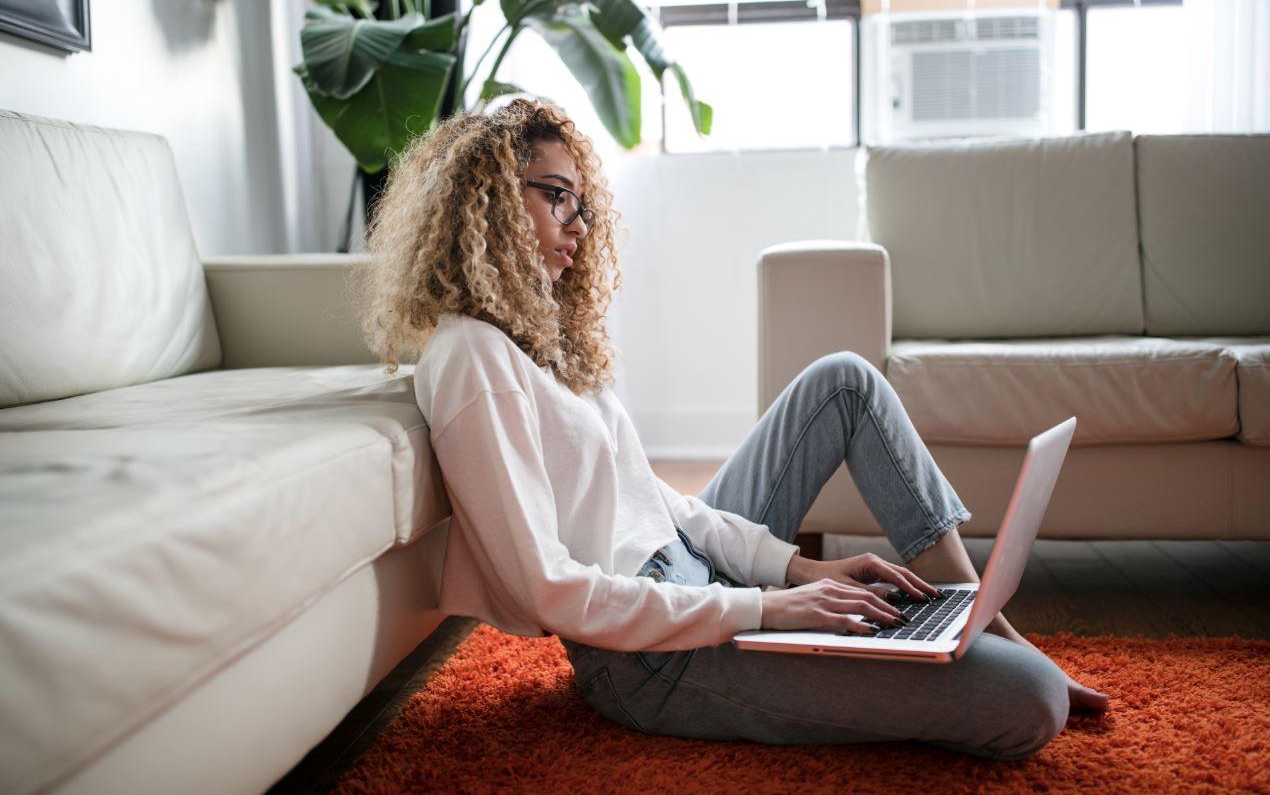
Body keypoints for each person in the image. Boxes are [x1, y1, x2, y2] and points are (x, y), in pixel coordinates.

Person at [351, 96, 1109, 761]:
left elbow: (656, 500)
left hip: (691, 575)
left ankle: (974, 614)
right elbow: (549, 589)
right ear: (484, 200)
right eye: (557, 196)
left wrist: (793, 571)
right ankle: (980, 649)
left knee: (843, 379)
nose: (578, 224)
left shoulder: (540, 336)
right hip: (646, 657)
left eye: (582, 202)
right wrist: (763, 607)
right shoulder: (470, 357)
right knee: (1033, 700)